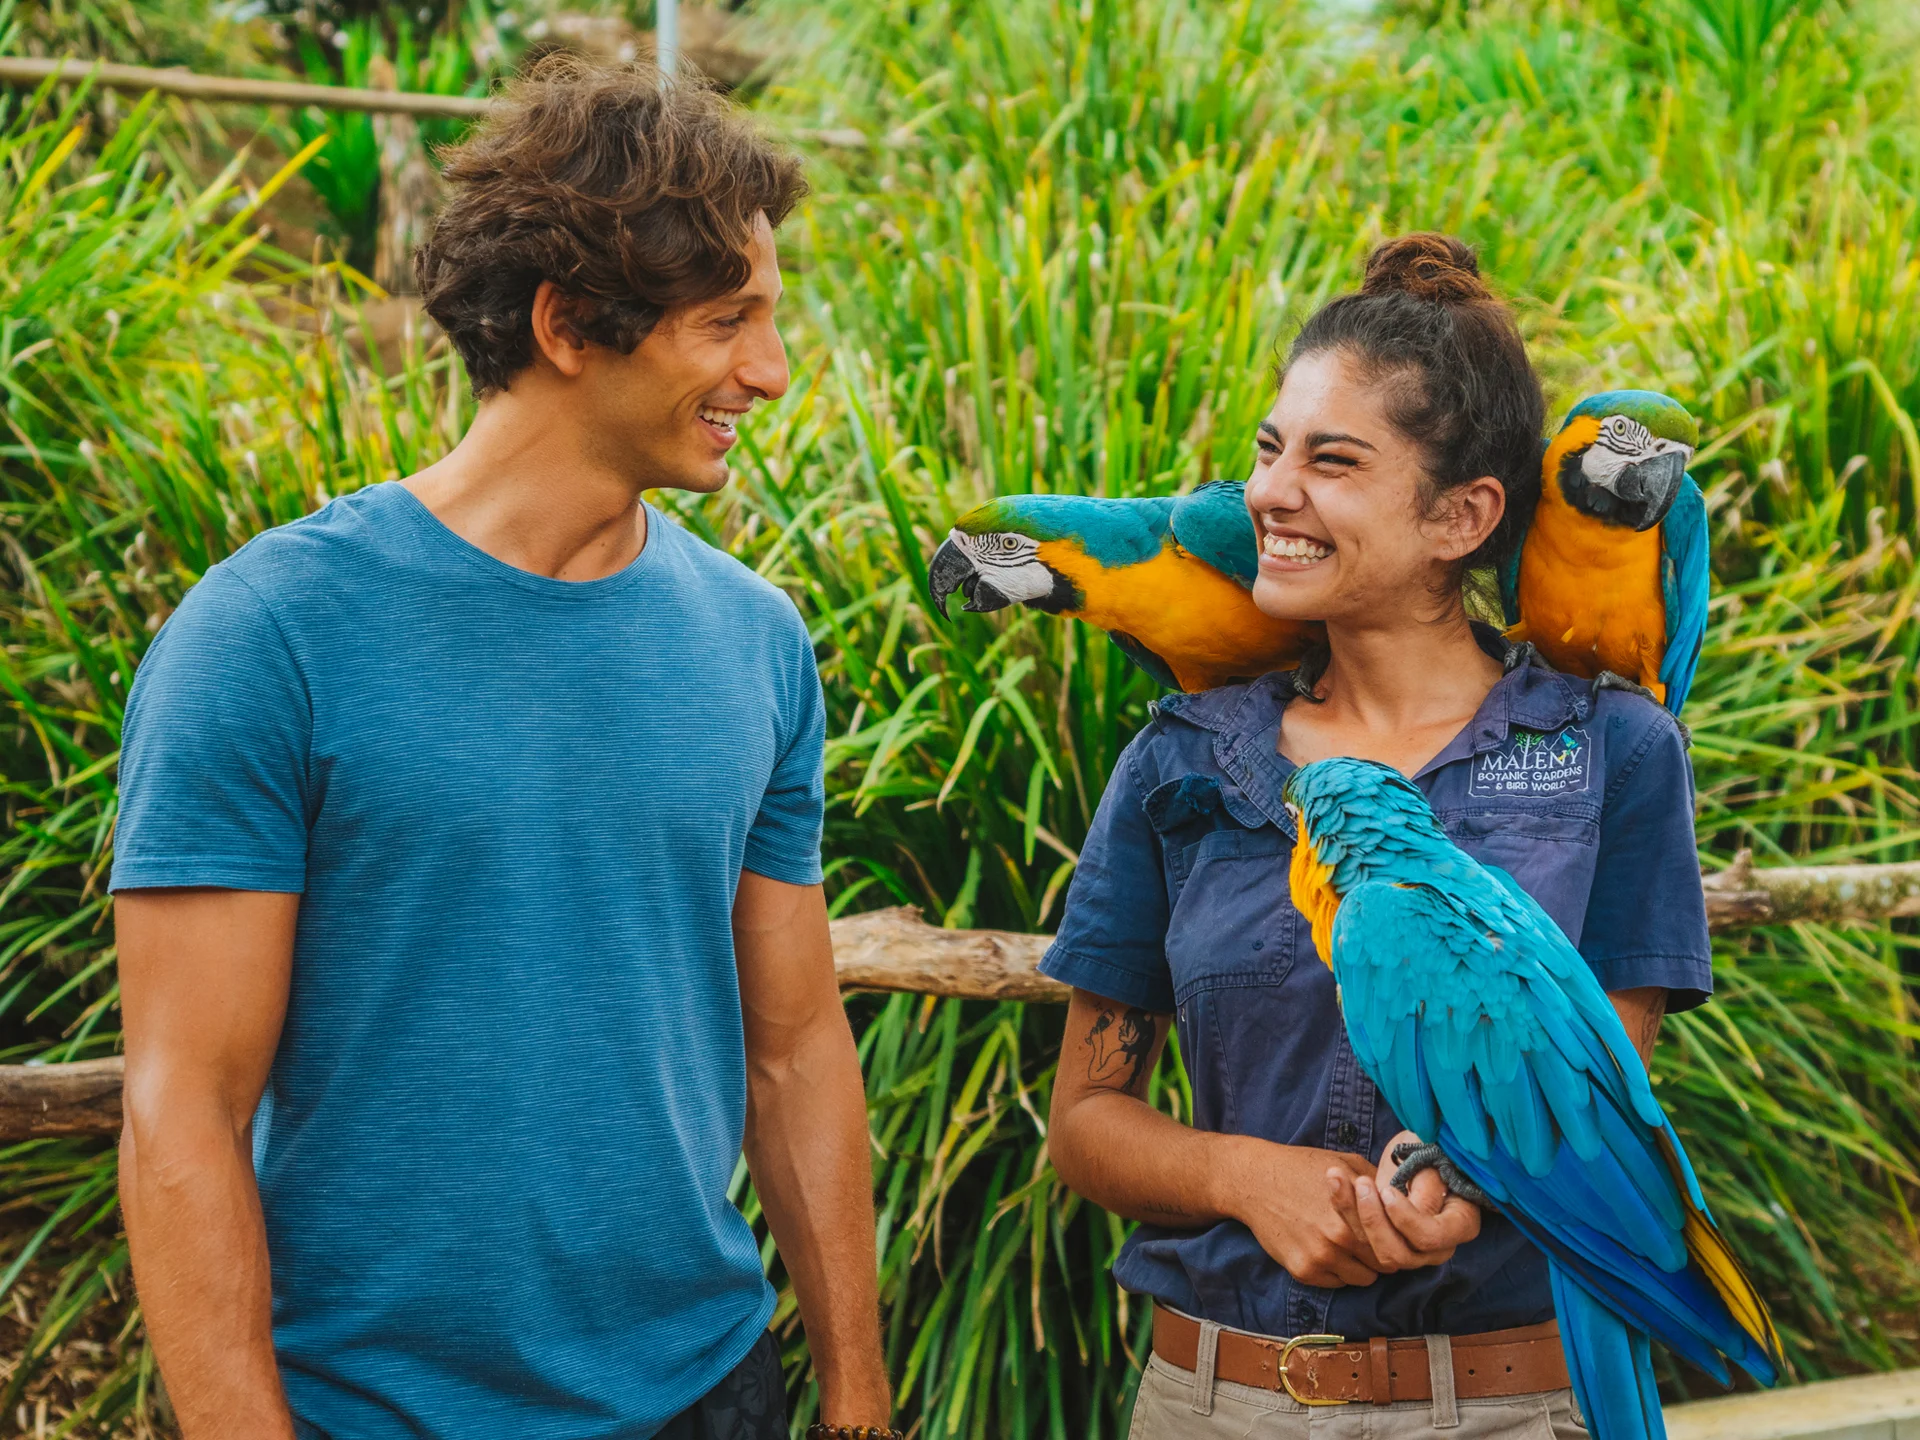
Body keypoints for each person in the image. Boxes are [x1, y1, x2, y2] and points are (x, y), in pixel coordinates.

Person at [111, 58, 896, 1440]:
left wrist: (857, 1393)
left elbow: (795, 1047)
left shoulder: (756, 643)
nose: (769, 374)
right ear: (569, 323)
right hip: (372, 1412)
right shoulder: (271, 636)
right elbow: (184, 1106)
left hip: (708, 1393)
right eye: (730, 323)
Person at [1042, 234, 1712, 1436]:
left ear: (1463, 515)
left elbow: (1600, 1097)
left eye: (1331, 462)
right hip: (1218, 1401)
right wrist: (1249, 1180)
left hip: (1512, 1404)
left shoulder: (1614, 753)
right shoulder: (1185, 758)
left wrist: (1456, 1185)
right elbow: (1088, 1126)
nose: (1268, 494)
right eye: (1268, 450)